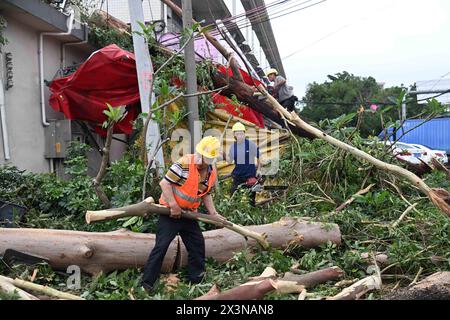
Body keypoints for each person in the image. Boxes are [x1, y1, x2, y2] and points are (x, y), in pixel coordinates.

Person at [141, 136, 222, 292]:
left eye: (204, 158)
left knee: (197, 244)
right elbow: (165, 183)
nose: (199, 160)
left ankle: (196, 278)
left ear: (211, 159)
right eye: (199, 155)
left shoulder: (211, 172)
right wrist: (173, 205)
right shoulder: (184, 163)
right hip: (169, 214)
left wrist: (214, 213)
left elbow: (205, 194)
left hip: (189, 214)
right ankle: (147, 284)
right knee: (161, 246)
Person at [225, 122, 261, 206]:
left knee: (251, 201)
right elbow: (230, 161)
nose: (240, 135)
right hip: (238, 177)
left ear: (244, 133)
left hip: (250, 177)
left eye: (241, 133)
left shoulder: (250, 145)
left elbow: (260, 157)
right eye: (237, 134)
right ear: (234, 134)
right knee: (233, 199)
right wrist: (223, 154)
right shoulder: (233, 147)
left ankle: (252, 214)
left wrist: (259, 169)